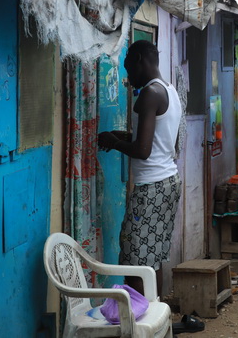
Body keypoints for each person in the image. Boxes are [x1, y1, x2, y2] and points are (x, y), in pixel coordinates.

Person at [98, 40, 182, 296]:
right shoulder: (169, 90)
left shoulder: (149, 94)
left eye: (128, 68)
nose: (128, 76)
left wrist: (113, 142)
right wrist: (122, 136)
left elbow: (143, 151)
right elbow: (165, 141)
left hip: (151, 188)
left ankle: (139, 322)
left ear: (139, 60)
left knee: (135, 261)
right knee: (152, 258)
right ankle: (156, 317)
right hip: (168, 180)